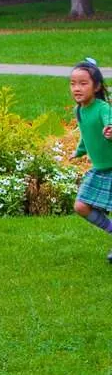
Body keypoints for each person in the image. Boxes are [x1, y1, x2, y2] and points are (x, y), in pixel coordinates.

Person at [69, 59, 112, 261]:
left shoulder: (103, 108)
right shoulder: (79, 111)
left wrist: (109, 130)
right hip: (100, 169)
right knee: (81, 206)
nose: (77, 88)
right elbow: (85, 135)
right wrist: (78, 151)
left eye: (83, 83)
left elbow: (108, 123)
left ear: (96, 87)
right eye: (73, 83)